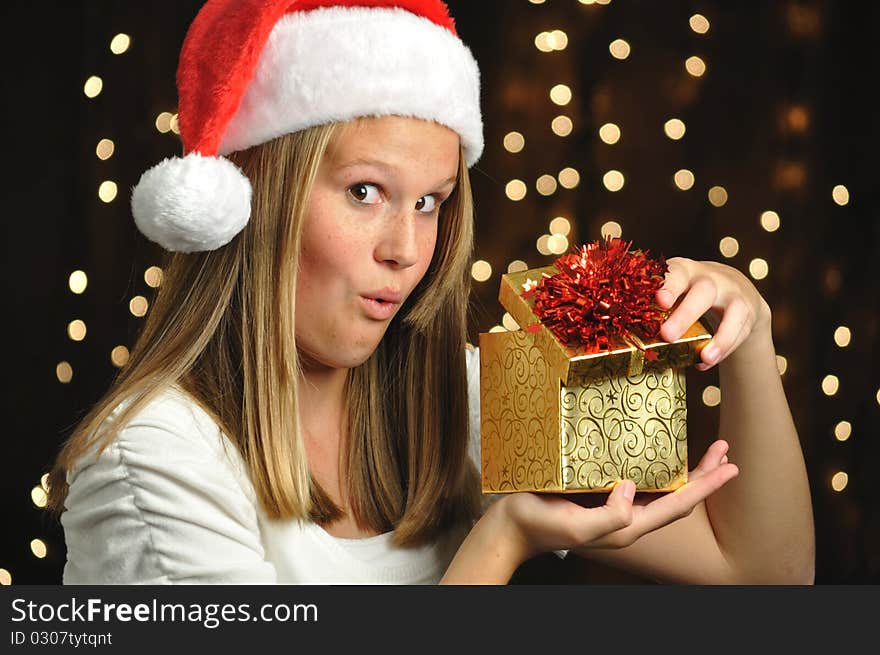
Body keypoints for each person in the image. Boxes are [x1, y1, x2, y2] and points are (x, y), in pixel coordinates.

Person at [47, 0, 814, 585]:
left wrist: (746, 327)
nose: (407, 251)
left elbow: (766, 575)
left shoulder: (452, 399)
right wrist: (499, 541)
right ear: (255, 198)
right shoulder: (150, 464)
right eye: (365, 193)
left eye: (429, 202)